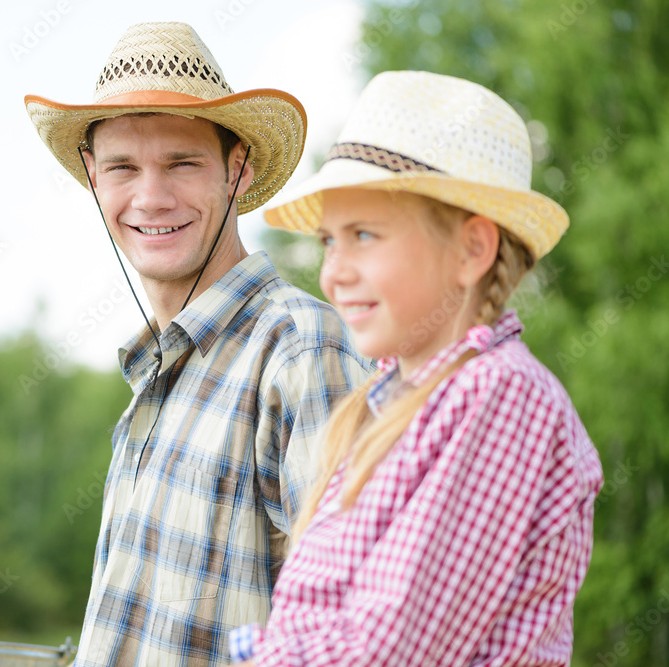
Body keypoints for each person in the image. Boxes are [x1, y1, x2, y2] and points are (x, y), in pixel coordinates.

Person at [228, 70, 604, 666]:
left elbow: (387, 651)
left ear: (472, 250)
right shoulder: (392, 401)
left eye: (365, 235)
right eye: (329, 241)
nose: (334, 272)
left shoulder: (502, 396)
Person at [25, 21, 371, 667]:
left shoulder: (299, 351)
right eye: (124, 166)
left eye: (182, 163)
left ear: (236, 172)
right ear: (92, 175)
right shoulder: (158, 370)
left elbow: (356, 630)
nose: (151, 197)